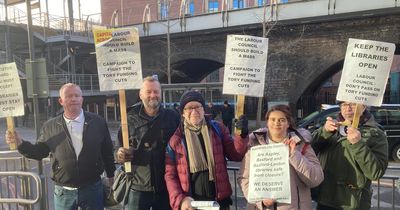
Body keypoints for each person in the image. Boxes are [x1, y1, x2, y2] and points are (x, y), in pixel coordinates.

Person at [5, 83, 116, 210]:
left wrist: (111, 174)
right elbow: (39, 152)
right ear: (61, 101)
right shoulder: (50, 126)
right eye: (69, 96)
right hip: (63, 192)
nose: (74, 99)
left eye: (77, 95)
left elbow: (107, 151)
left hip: (92, 188)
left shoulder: (98, 122)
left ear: (82, 99)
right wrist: (20, 143)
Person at [164, 90, 249, 210]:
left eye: (198, 106)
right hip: (192, 204)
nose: (194, 111)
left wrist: (242, 135)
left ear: (204, 109)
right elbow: (170, 175)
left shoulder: (218, 129)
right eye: (189, 108)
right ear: (182, 113)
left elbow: (236, 155)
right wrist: (180, 199)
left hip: (220, 202)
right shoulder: (175, 140)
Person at [238, 104, 324, 210]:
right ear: (267, 122)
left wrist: (294, 155)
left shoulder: (302, 145)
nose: (276, 123)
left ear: (288, 123)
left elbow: (316, 178)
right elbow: (244, 178)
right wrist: (259, 200)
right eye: (272, 119)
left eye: (282, 120)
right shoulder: (255, 147)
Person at [115, 76, 180, 210]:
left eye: (156, 91)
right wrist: (120, 154)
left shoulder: (172, 116)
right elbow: (117, 148)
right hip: (137, 186)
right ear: (140, 94)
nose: (153, 95)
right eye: (148, 92)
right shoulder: (129, 118)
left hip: (166, 186)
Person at [312, 101, 388, 210]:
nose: (348, 109)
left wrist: (358, 144)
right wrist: (324, 132)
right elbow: (309, 151)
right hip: (325, 199)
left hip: (354, 202)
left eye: (353, 104)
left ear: (364, 106)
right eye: (344, 105)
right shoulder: (332, 126)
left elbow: (376, 172)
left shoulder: (376, 133)